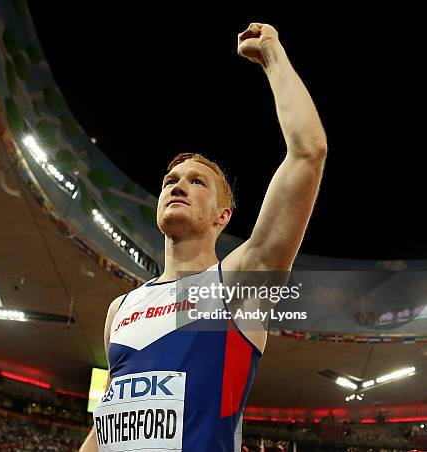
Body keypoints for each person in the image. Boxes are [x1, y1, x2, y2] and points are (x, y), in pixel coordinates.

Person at [80, 22, 327, 451]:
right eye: (170, 180)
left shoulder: (241, 282)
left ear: (222, 215)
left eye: (197, 182)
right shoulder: (119, 310)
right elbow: (106, 427)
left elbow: (308, 153)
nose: (177, 186)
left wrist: (272, 55)